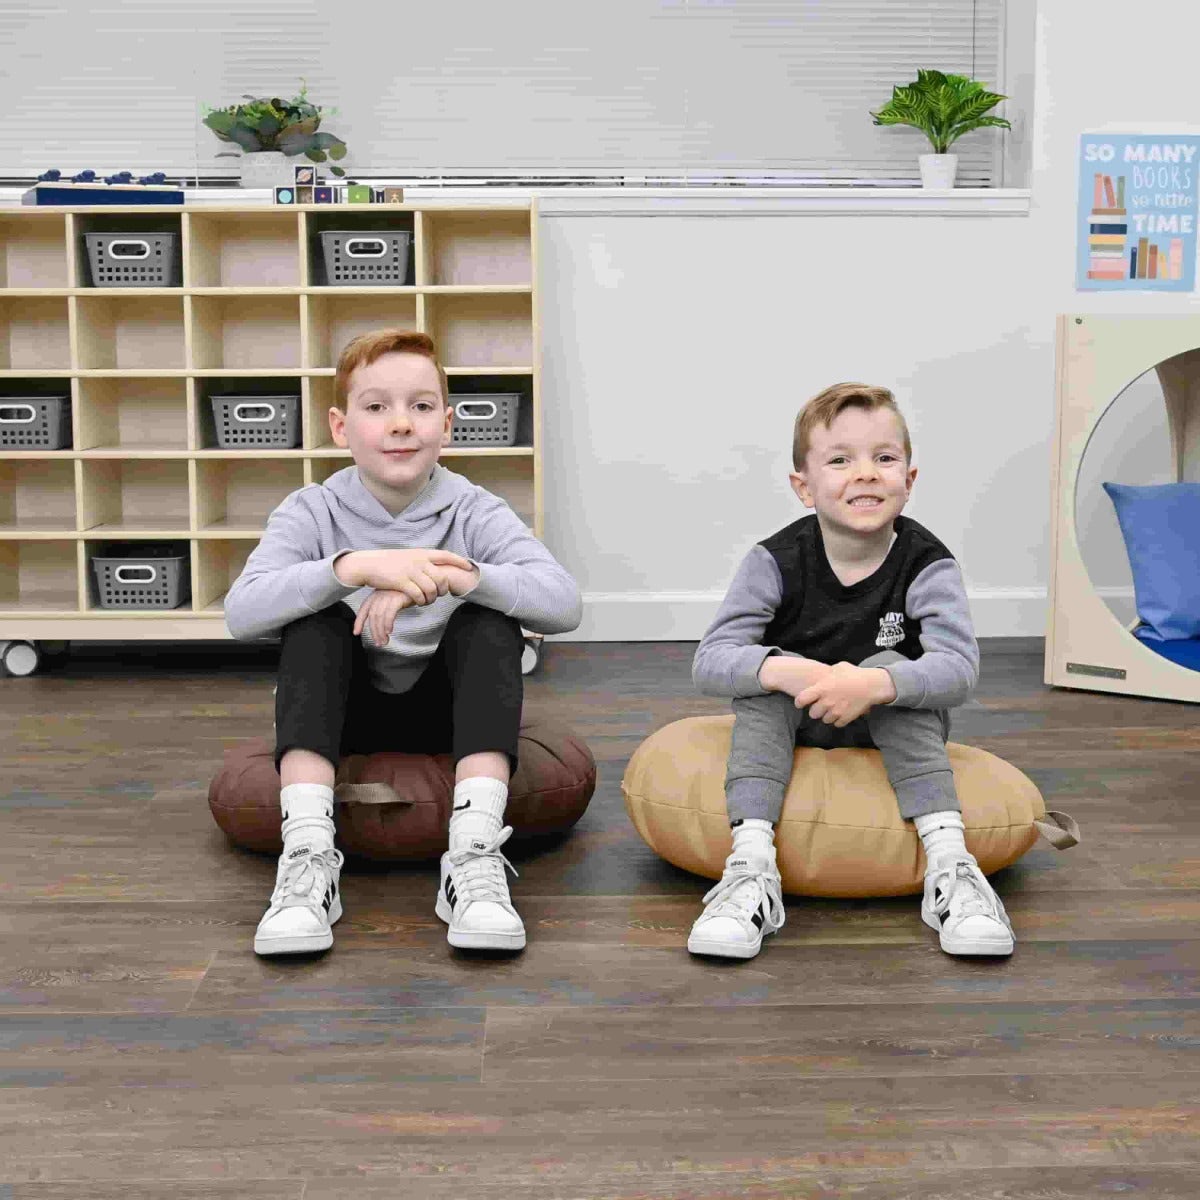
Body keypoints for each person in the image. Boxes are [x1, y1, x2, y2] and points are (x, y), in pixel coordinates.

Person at [223, 329, 582, 958]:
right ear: (340, 427)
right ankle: (308, 860)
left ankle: (472, 857)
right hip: (347, 714)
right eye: (376, 407)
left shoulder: (475, 508)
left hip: (449, 715)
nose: (400, 425)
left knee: (490, 619)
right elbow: (242, 613)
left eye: (420, 407)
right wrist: (354, 569)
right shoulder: (311, 510)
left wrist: (447, 575)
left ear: (447, 423)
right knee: (315, 622)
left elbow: (563, 604)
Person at [688, 382, 1012, 961]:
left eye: (884, 458)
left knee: (896, 668)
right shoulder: (773, 560)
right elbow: (710, 660)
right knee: (766, 682)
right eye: (840, 460)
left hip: (886, 723)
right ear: (804, 487)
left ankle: (951, 866)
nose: (865, 473)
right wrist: (787, 672)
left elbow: (959, 670)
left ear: (909, 481)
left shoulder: (927, 563)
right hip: (800, 715)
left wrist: (874, 682)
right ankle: (750, 867)